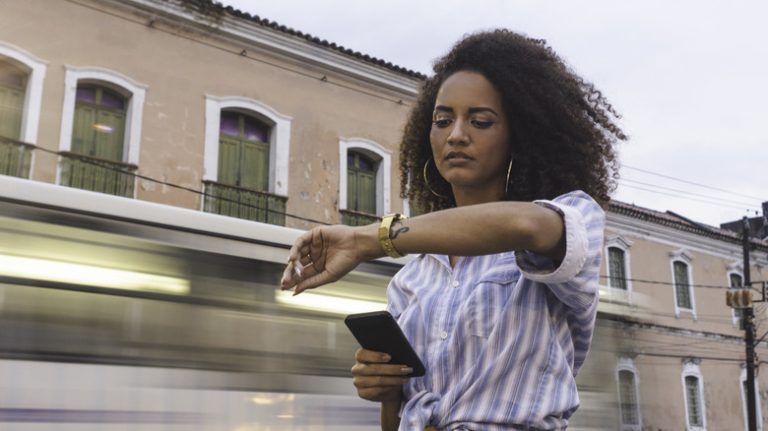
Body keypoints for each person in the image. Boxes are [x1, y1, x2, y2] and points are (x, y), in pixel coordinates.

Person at [281, 29, 625, 431]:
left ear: (521, 135)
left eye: (480, 121)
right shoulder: (412, 279)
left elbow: (524, 224)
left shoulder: (569, 221)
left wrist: (365, 239)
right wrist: (387, 392)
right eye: (443, 120)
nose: (456, 135)